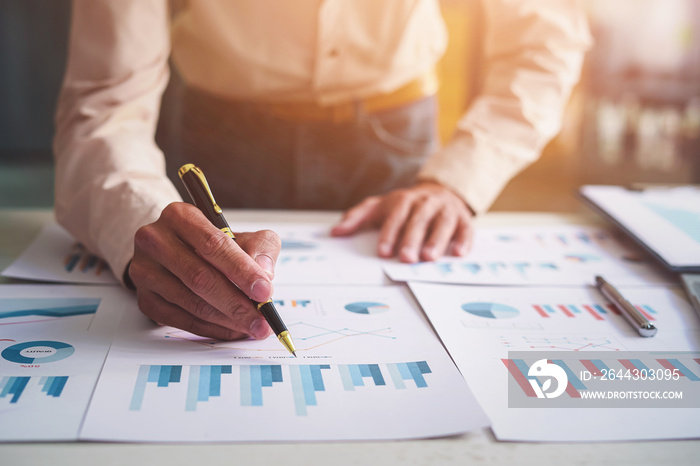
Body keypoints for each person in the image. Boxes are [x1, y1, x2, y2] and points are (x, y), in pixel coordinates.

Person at [53, 0, 591, 341]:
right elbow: (106, 102)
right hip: (222, 138)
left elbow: (547, 35)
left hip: (397, 141)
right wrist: (144, 226)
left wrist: (458, 179)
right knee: (203, 288)